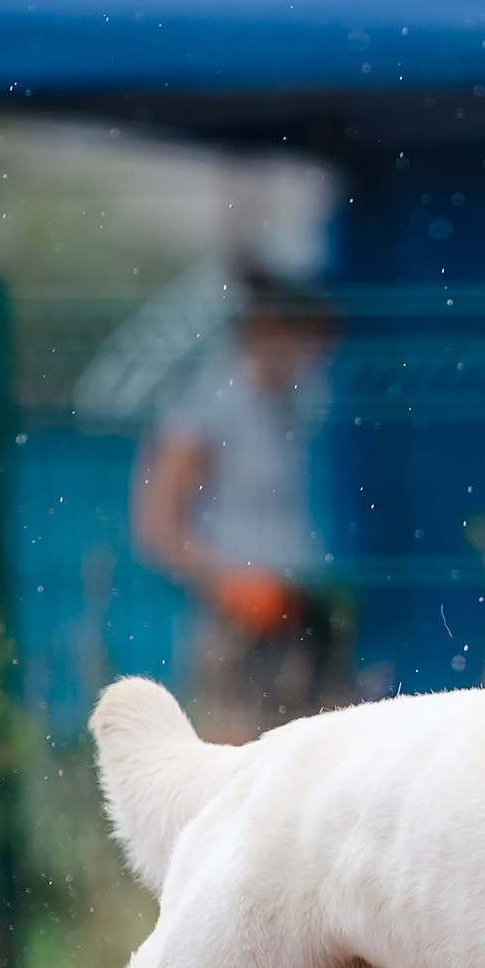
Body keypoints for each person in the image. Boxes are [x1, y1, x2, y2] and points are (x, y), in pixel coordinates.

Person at [132, 268, 347, 742]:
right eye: (306, 339)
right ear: (270, 332)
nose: (315, 356)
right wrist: (230, 584)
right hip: (240, 619)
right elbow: (158, 524)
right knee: (236, 754)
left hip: (303, 602)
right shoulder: (207, 402)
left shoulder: (304, 399)